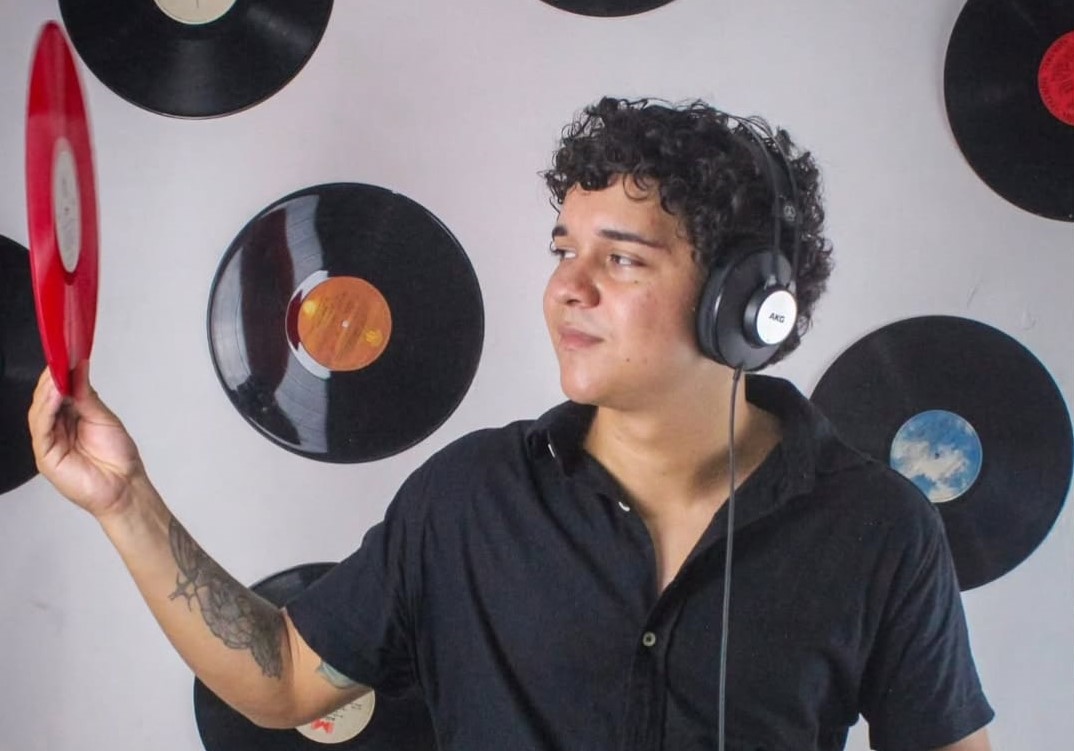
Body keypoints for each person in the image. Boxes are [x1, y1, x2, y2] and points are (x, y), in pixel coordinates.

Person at [28, 96, 993, 751]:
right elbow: (283, 677)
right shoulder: (469, 496)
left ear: (746, 307)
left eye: (621, 259)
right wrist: (124, 501)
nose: (566, 287)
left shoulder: (879, 529)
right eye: (564, 249)